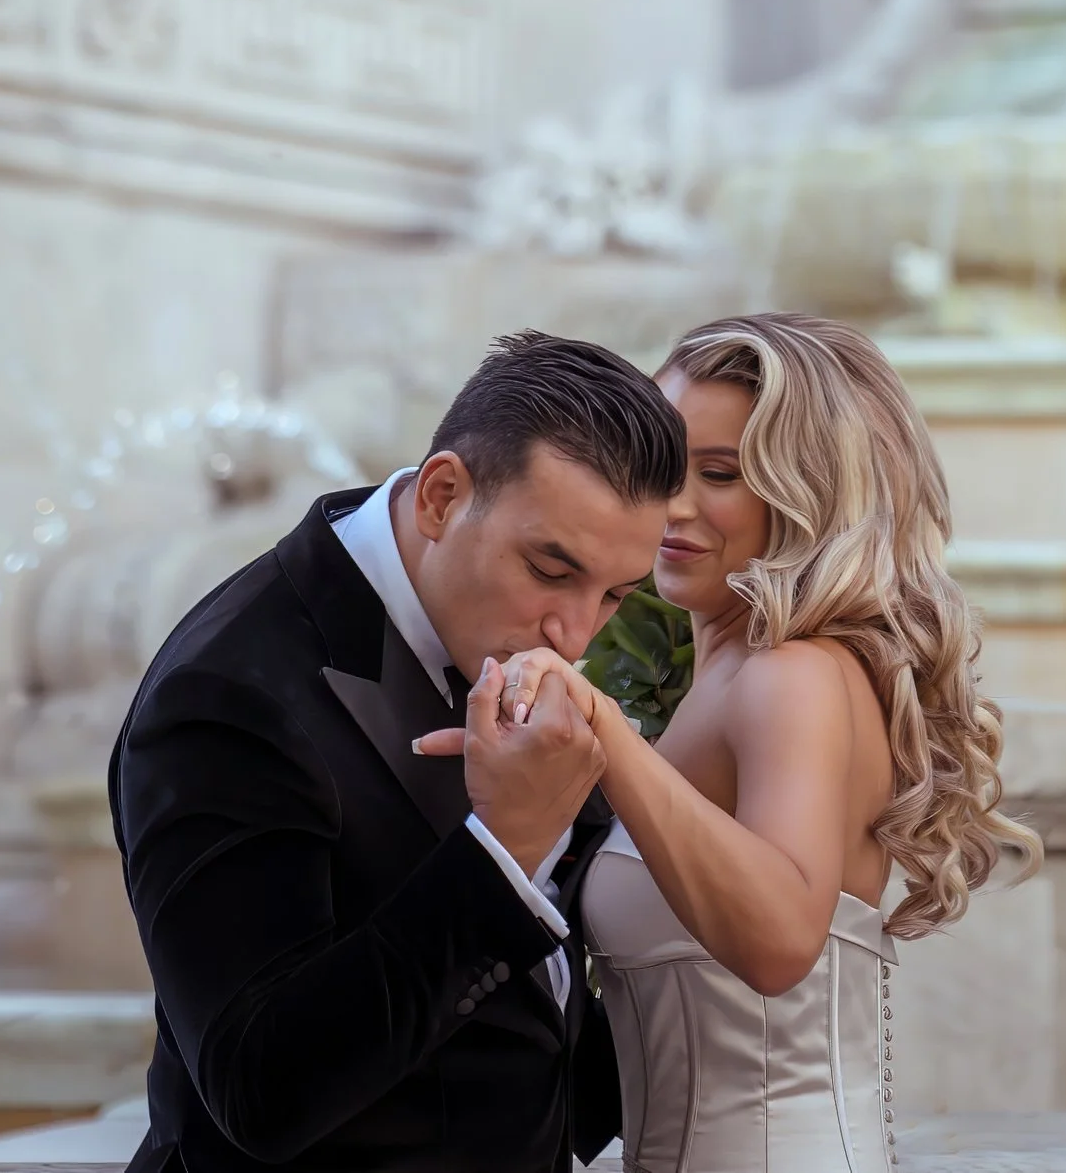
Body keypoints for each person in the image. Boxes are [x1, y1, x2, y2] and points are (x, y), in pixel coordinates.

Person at [454, 313, 1039, 1173]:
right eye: (663, 468)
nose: (673, 506)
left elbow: (777, 941)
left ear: (809, 489)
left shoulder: (789, 675)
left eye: (720, 473)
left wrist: (606, 733)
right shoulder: (732, 674)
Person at [109, 330, 685, 1173]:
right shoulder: (226, 694)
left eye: (614, 595)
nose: (575, 635)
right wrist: (505, 852)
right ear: (442, 497)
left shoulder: (506, 648)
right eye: (550, 570)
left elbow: (533, 1022)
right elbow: (259, 1089)